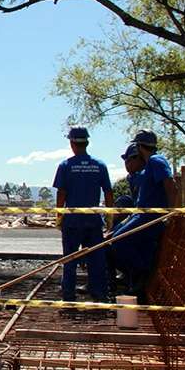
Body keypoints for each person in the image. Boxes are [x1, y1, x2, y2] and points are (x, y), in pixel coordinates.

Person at [108, 129, 177, 300]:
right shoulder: (149, 166)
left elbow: (170, 185)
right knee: (117, 240)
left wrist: (172, 213)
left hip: (150, 216)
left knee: (119, 243)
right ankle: (136, 281)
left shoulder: (156, 160)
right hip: (141, 214)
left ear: (139, 147)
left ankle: (143, 276)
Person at [52, 126, 113, 302]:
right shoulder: (99, 165)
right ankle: (99, 294)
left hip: (72, 221)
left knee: (70, 259)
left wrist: (59, 216)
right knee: (97, 259)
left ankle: (69, 295)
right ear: (87, 142)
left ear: (72, 143)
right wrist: (110, 216)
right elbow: (108, 193)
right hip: (93, 221)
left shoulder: (66, 166)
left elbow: (61, 193)